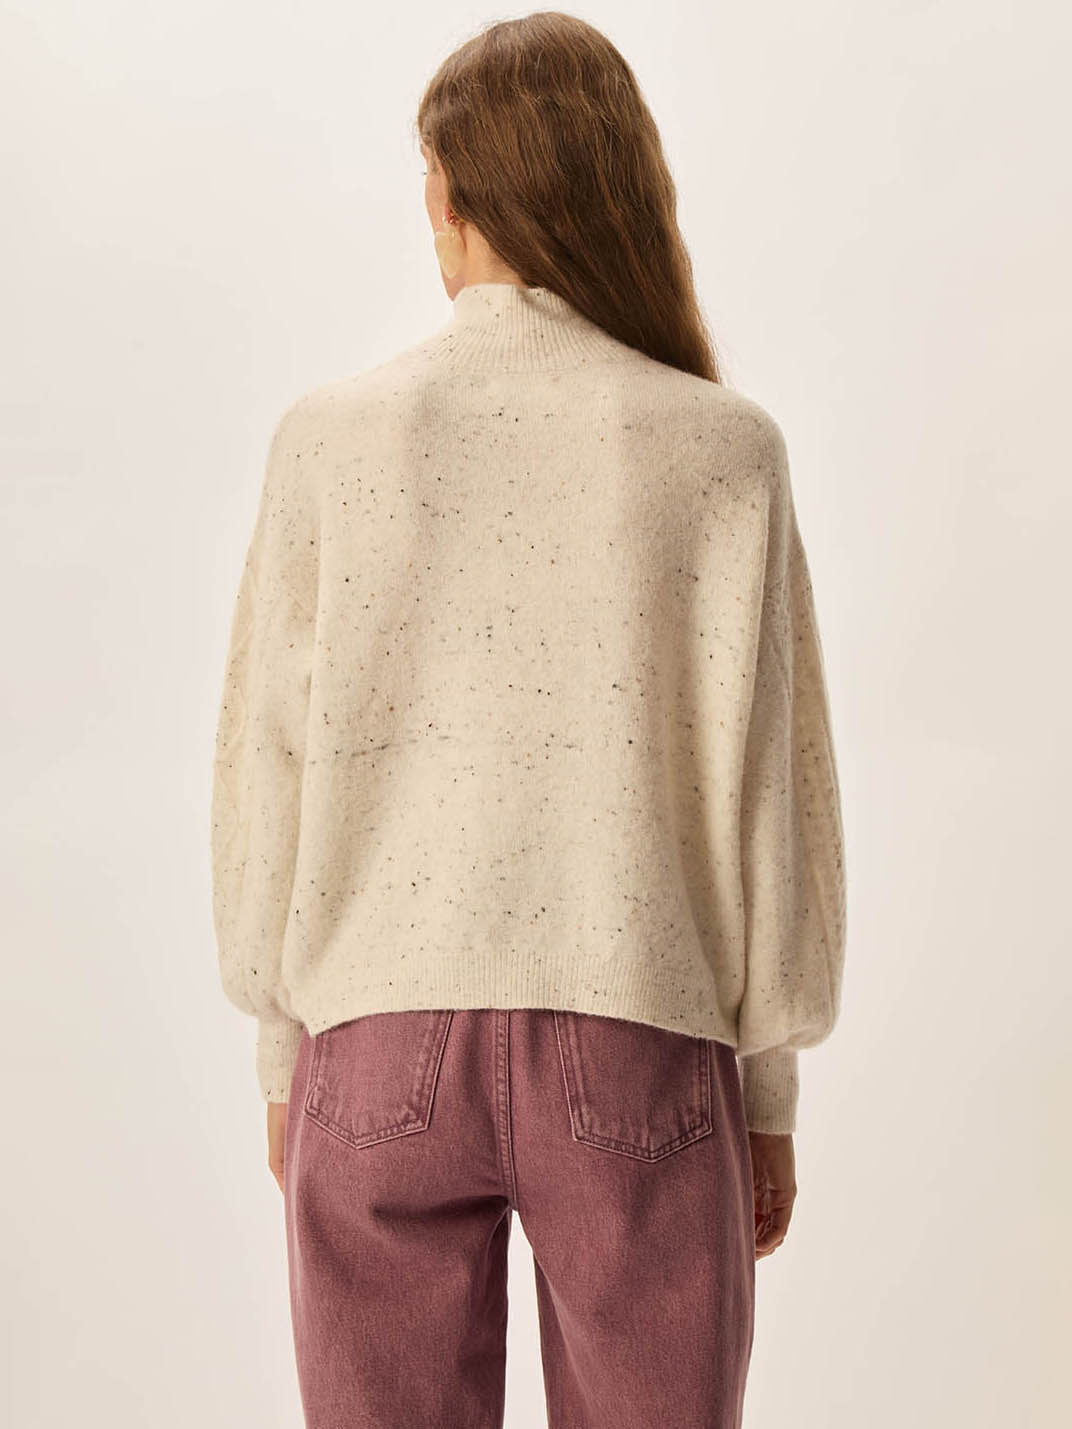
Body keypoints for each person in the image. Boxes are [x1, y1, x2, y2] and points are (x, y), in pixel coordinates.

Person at [209, 13, 847, 1427]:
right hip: (639, 1033)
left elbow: (272, 768)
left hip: (374, 1043)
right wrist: (768, 1088)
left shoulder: (329, 441)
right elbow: (766, 792)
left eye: (429, 182)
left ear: (457, 191)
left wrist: (281, 1053)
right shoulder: (724, 448)